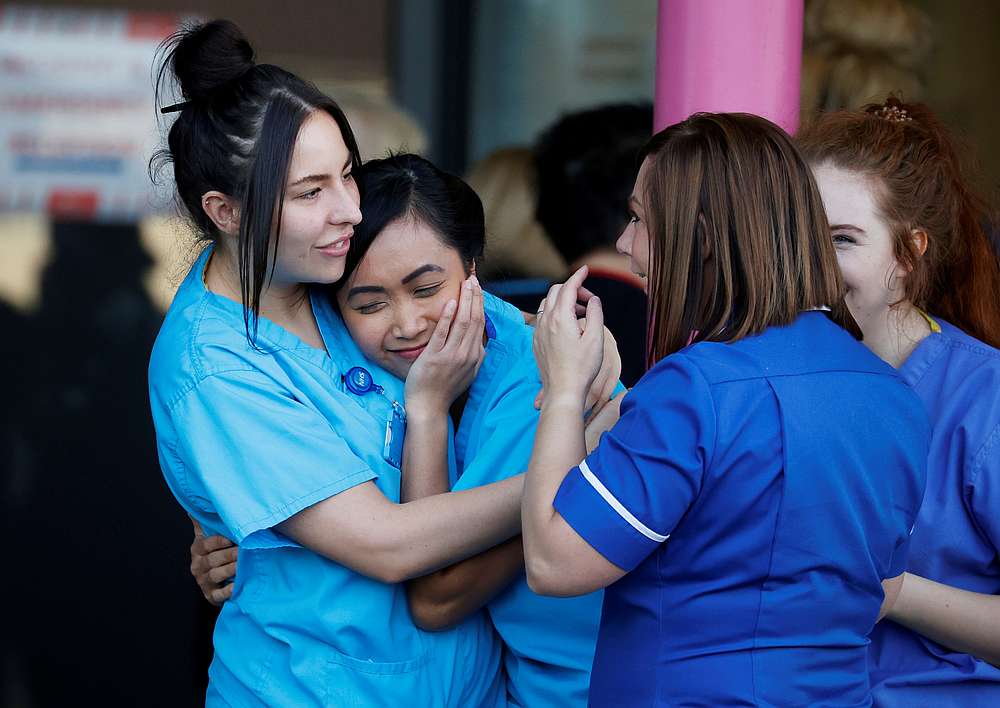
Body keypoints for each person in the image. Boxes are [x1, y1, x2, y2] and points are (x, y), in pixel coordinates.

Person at [149, 20, 519, 706]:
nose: (349, 210)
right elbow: (386, 546)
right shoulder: (213, 367)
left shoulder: (336, 272)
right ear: (225, 211)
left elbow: (507, 331)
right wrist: (573, 475)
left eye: (347, 173)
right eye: (309, 192)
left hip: (465, 684)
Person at [519, 112, 929, 705]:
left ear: (703, 238)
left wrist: (562, 389)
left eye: (639, 219)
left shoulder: (696, 387)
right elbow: (882, 581)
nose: (625, 246)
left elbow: (555, 563)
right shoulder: (894, 396)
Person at [192, 153, 620, 707]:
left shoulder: (537, 380)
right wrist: (240, 541)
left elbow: (436, 597)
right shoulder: (347, 368)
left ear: (472, 267)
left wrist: (435, 413)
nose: (408, 324)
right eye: (369, 303)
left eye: (426, 288)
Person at [799, 97, 1000, 706]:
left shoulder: (983, 401)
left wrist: (898, 593)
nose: (811, 268)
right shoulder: (773, 377)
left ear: (909, 255)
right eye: (799, 237)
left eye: (841, 240)